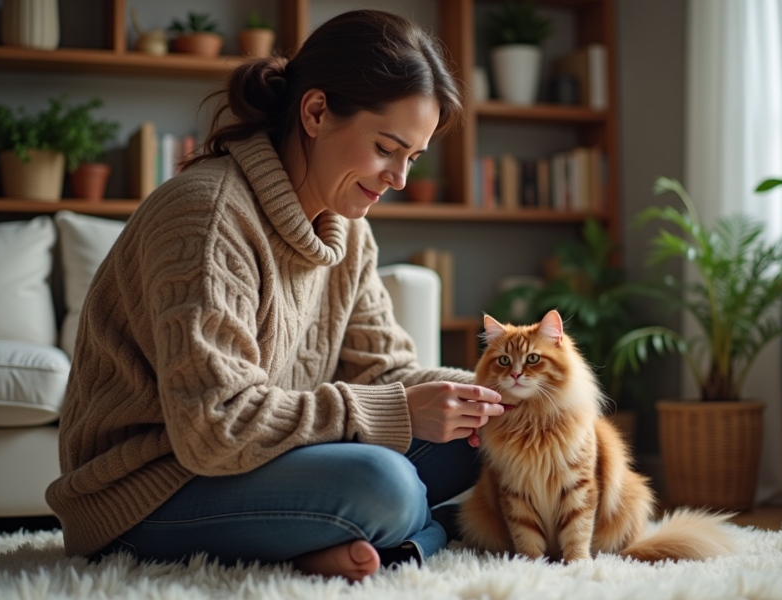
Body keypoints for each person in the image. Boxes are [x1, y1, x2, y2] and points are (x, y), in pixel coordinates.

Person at [45, 9, 504, 582]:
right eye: (387, 147)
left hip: (268, 458)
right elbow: (215, 430)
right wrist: (398, 412)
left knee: (493, 437)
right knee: (385, 490)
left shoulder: (347, 228)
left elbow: (384, 371)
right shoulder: (207, 216)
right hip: (151, 488)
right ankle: (422, 532)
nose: (399, 180)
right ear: (315, 112)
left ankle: (366, 540)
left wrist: (494, 394)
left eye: (412, 158)